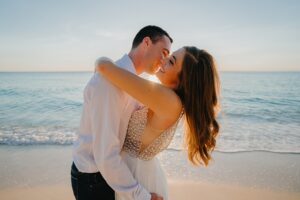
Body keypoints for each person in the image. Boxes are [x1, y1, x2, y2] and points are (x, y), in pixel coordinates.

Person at [96, 46, 221, 200]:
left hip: (139, 180)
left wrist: (102, 60)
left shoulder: (168, 100)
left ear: (182, 81)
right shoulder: (169, 100)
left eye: (171, 61)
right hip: (139, 175)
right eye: (169, 55)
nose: (164, 60)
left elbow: (104, 67)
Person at [71, 25, 173, 200]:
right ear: (146, 42)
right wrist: (143, 197)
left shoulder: (130, 81)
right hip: (93, 178)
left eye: (169, 57)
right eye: (163, 53)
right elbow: (105, 156)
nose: (164, 61)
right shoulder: (109, 83)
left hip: (109, 176)